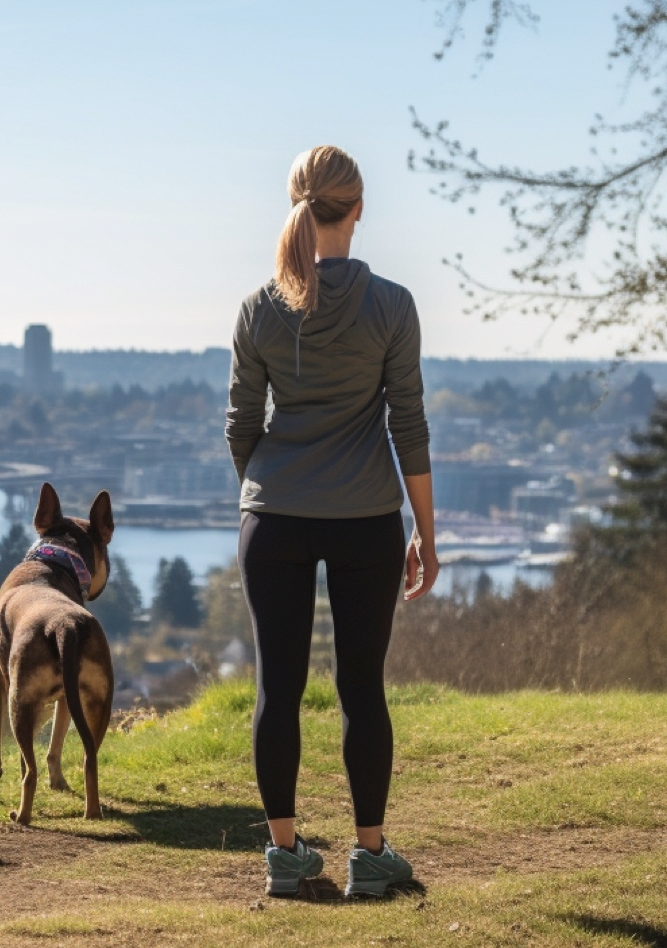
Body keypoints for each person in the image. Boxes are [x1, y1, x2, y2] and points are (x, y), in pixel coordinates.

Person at [224, 144, 439, 898]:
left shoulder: (259, 308)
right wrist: (428, 535)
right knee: (361, 690)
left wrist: (264, 489)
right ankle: (371, 858)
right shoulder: (392, 306)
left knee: (275, 692)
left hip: (273, 518)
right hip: (365, 520)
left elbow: (240, 424)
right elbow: (408, 426)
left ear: (294, 206)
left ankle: (286, 859)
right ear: (357, 212)